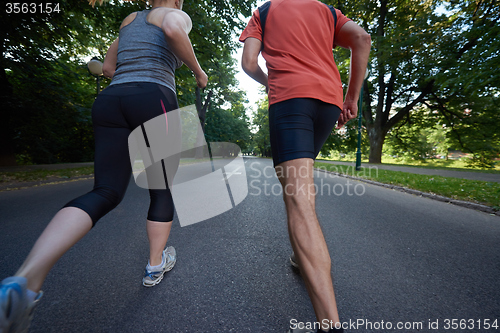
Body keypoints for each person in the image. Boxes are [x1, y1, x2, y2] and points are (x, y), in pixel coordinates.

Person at [0, 0, 207, 331]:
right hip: (153, 98)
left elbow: (108, 68)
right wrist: (198, 71)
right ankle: (155, 265)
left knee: (106, 191)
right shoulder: (174, 13)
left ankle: (25, 280)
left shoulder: (129, 21)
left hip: (112, 101)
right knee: (160, 187)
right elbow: (171, 28)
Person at [240, 0, 371, 332]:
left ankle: (330, 325)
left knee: (298, 199)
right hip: (327, 101)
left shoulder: (264, 12)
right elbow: (362, 39)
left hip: (290, 101)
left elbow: (249, 62)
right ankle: (302, 257)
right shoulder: (326, 11)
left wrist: (271, 82)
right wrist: (351, 97)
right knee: (300, 191)